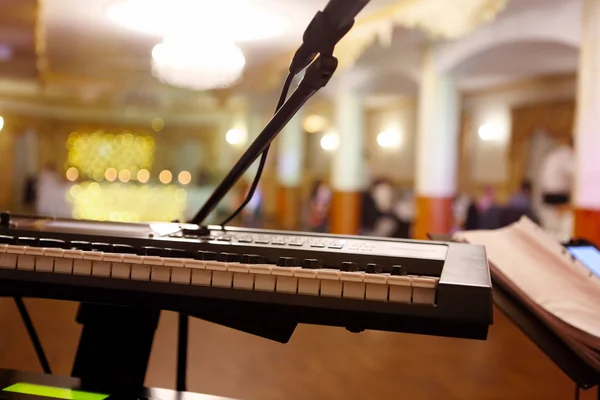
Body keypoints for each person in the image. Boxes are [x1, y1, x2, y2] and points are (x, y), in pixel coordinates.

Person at [538, 138, 574, 238]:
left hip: (549, 197)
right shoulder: (567, 156)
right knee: (563, 230)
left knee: (552, 230)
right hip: (558, 199)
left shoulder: (557, 154)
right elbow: (578, 174)